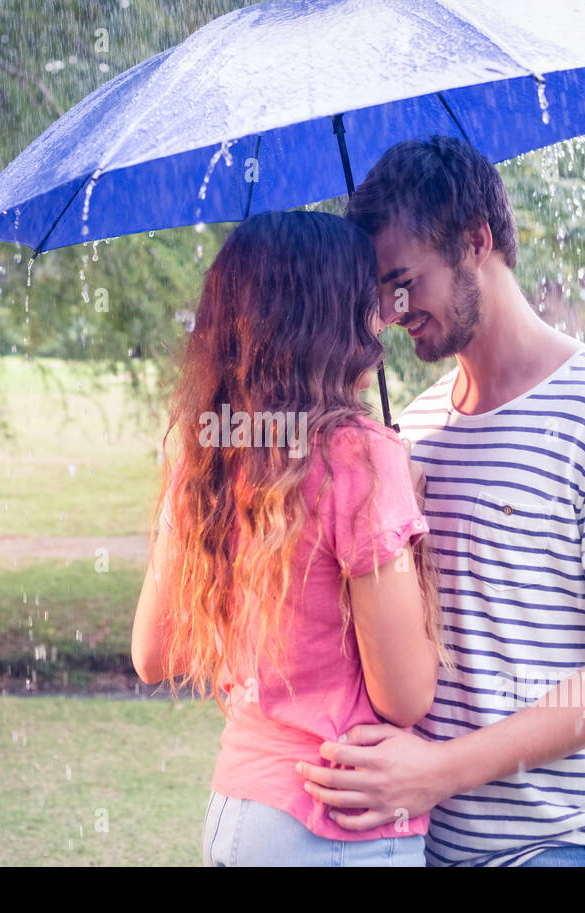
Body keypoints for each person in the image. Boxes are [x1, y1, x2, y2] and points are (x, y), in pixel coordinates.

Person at [296, 136, 585, 867]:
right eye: (378, 292)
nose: (387, 310)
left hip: (563, 846)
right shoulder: (412, 429)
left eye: (403, 281)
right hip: (423, 843)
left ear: (476, 240)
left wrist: (440, 772)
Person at [130, 209, 452, 866]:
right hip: (337, 828)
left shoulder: (203, 458)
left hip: (238, 813)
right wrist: (405, 537)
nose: (382, 321)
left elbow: (153, 653)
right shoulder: (360, 460)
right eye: (367, 305)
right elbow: (407, 694)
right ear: (330, 322)